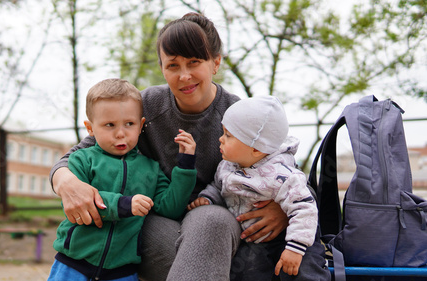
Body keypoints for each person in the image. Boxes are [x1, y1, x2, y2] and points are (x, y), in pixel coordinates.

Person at [50, 12, 318, 281]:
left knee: (210, 220)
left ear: (215, 63)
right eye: (173, 66)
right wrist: (65, 181)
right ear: (162, 67)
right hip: (155, 221)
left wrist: (283, 210)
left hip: (222, 226)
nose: (184, 75)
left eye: (194, 62)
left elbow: (288, 171)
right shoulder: (144, 107)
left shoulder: (240, 115)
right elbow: (82, 151)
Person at [47, 78, 198, 281]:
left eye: (129, 124)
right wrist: (125, 204)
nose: (120, 133)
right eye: (109, 125)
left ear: (141, 125)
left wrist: (185, 166)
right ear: (90, 128)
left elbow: (169, 207)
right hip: (73, 263)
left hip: (122, 271)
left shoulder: (151, 169)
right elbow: (87, 201)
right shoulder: (81, 160)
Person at [187, 96, 328, 280]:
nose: (220, 139)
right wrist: (208, 198)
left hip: (295, 236)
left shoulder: (283, 174)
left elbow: (305, 209)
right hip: (254, 240)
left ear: (256, 149)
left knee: (303, 272)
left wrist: (295, 248)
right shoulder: (227, 166)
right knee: (246, 271)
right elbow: (218, 186)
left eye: (228, 135)